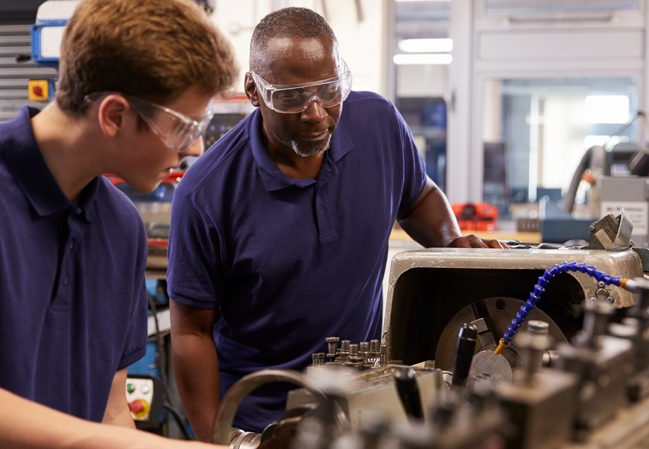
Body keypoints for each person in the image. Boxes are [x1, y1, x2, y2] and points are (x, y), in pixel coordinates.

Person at [0, 1, 237, 448]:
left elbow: (110, 413)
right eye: (185, 125)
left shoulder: (121, 227)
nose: (195, 147)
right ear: (114, 115)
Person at [167, 7, 505, 440]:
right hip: (263, 422)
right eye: (291, 97)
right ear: (254, 90)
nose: (315, 113)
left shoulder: (377, 124)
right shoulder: (206, 192)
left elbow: (418, 195)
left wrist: (452, 245)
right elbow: (191, 331)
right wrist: (220, 438)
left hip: (366, 400)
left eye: (329, 90)